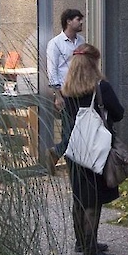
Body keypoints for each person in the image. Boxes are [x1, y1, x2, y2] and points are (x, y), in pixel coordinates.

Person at [61, 44, 123, 255]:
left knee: (79, 196)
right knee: (93, 200)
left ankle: (82, 242)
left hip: (75, 150)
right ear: (93, 63)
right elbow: (119, 113)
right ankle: (91, 251)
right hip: (95, 149)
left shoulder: (67, 89)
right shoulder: (101, 87)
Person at [46, 9, 85, 164]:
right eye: (78, 19)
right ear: (68, 21)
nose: (81, 22)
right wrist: (58, 95)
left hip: (81, 90)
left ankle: (61, 154)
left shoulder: (81, 41)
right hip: (66, 92)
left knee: (80, 127)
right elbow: (52, 69)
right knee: (69, 128)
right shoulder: (55, 43)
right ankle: (57, 153)